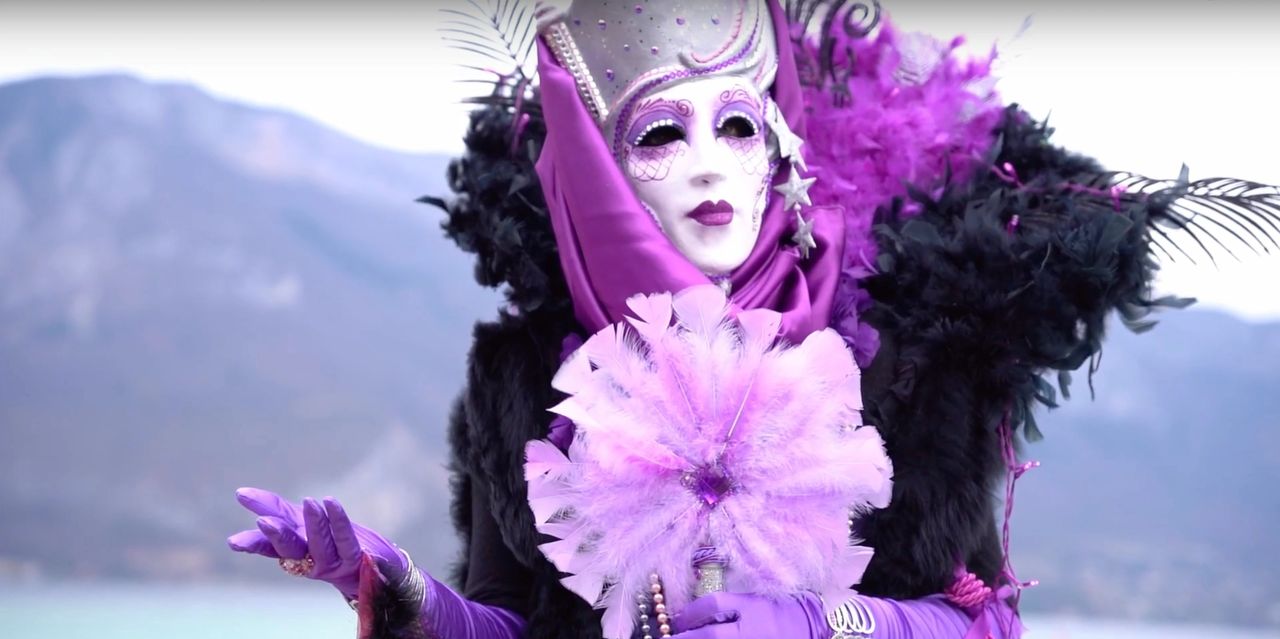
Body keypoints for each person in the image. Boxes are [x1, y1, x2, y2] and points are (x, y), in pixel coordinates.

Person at [229, 1, 1280, 638]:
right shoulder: (524, 378)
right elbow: (517, 628)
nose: (705, 164)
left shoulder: (911, 356)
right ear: (593, 171)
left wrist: (824, 621)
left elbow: (982, 621)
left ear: (777, 143)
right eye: (656, 134)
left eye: (735, 122)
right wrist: (394, 584)